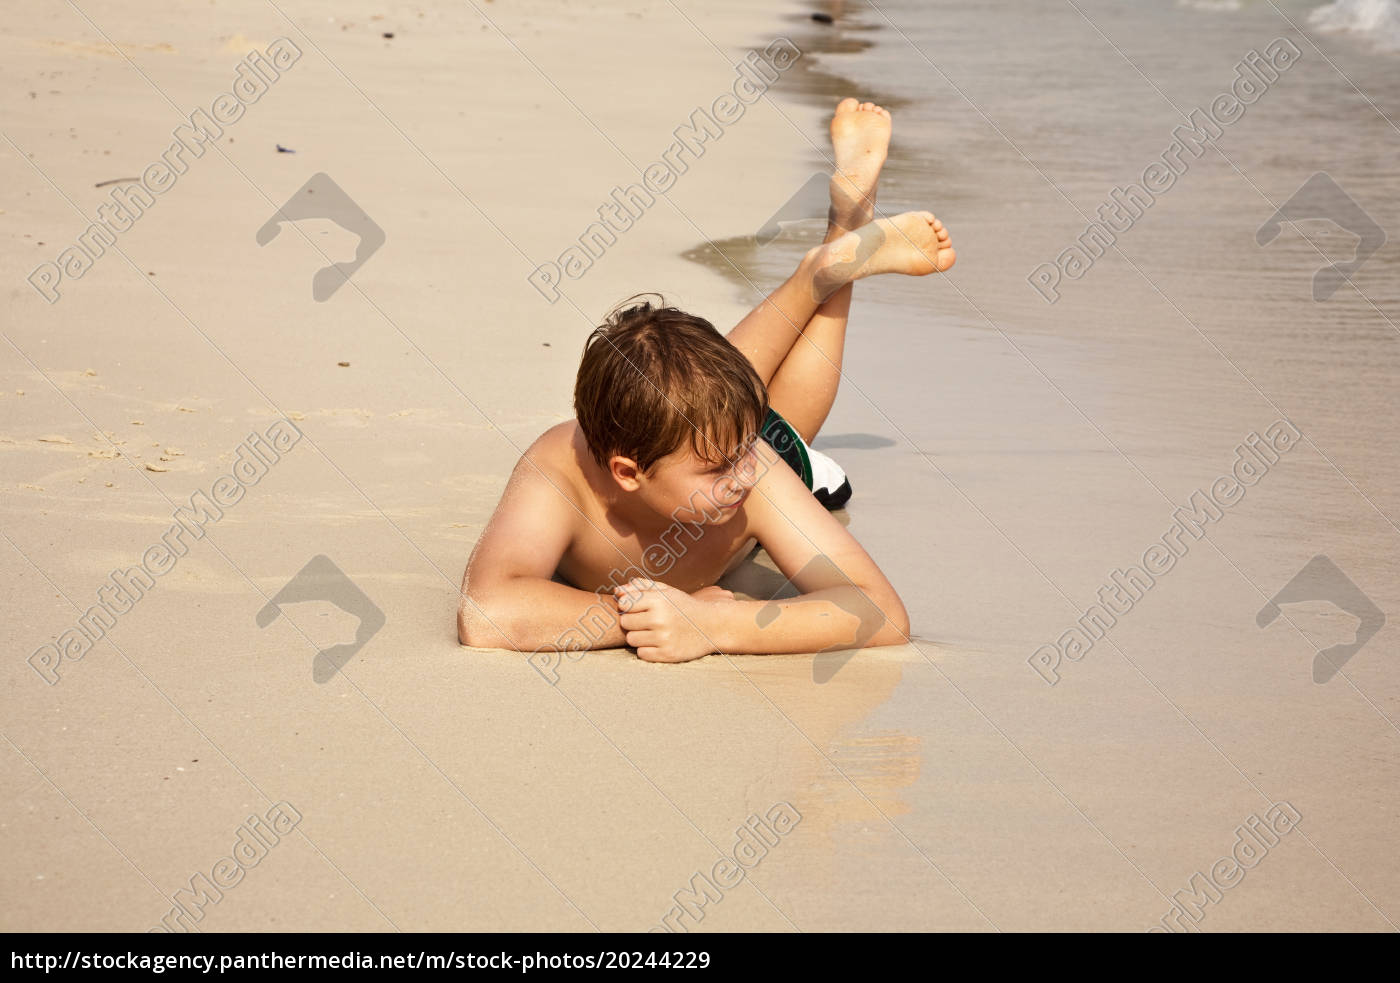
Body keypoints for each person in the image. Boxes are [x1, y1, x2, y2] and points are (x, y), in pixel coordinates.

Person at [458, 98, 955, 664]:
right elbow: (486, 612)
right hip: (710, 426)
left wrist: (718, 623)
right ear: (627, 471)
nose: (744, 476)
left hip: (735, 427)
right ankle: (832, 253)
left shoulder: (752, 465)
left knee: (766, 419)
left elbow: (882, 614)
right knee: (714, 404)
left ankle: (833, 253)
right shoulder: (559, 470)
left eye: (743, 455)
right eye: (720, 468)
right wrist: (644, 620)